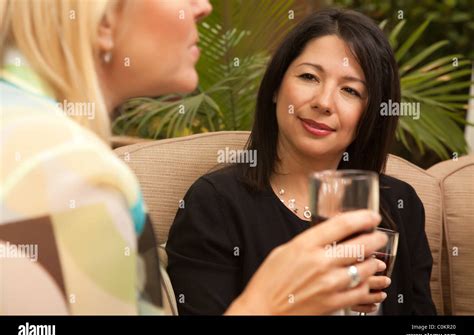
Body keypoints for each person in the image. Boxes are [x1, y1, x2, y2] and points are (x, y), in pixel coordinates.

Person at [0, 0, 386, 315]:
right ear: (103, 20)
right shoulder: (75, 171)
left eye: (351, 90)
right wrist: (267, 304)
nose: (203, 7)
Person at [166, 8, 437, 315]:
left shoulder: (400, 204)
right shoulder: (215, 204)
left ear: (370, 115)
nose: (323, 102)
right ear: (276, 87)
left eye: (350, 90)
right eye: (309, 76)